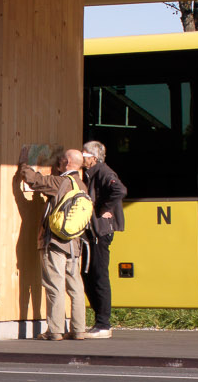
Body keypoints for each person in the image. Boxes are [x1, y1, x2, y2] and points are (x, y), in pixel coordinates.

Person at [17, 147, 91, 341]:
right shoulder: (81, 186)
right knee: (75, 287)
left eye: (60, 160)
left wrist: (24, 164)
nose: (58, 162)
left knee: (54, 285)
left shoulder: (60, 182)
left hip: (55, 243)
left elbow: (34, 180)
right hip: (74, 245)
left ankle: (55, 330)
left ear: (67, 163)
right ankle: (78, 329)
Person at [80, 139, 128, 340]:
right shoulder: (92, 172)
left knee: (99, 275)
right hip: (96, 232)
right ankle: (99, 321)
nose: (81, 158)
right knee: (88, 275)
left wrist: (102, 209)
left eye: (84, 154)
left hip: (101, 231)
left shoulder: (103, 172)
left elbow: (120, 190)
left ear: (93, 157)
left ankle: (103, 324)